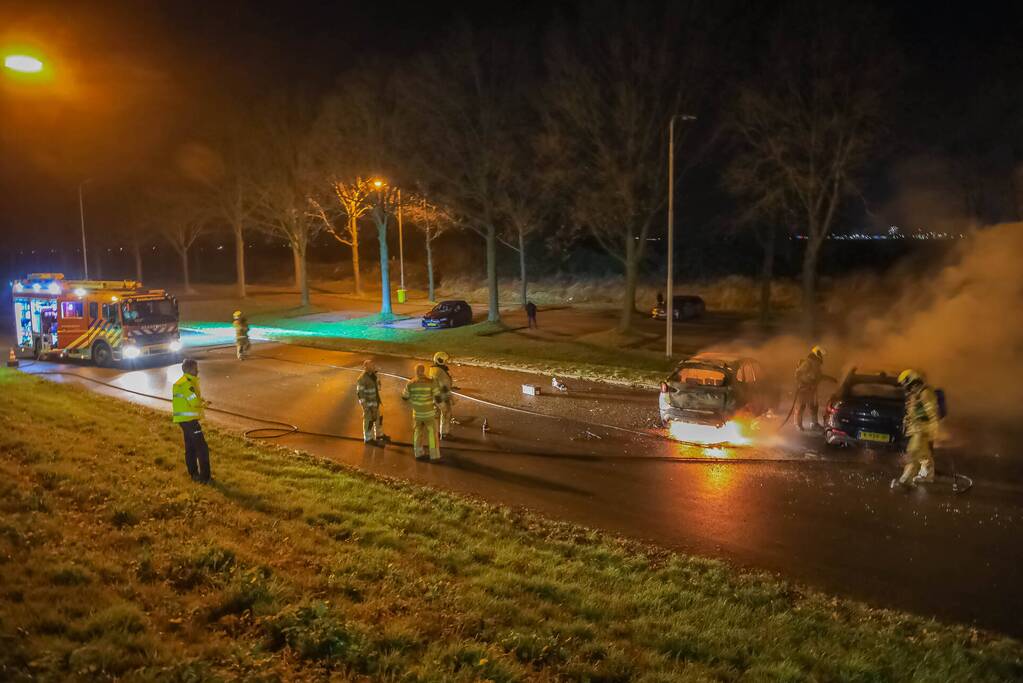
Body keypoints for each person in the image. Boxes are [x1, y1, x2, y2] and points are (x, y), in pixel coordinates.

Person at [892, 369, 941, 489]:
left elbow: (932, 413)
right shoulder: (915, 394)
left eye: (905, 383)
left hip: (922, 430)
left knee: (913, 453)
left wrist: (934, 430)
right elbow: (912, 412)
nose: (904, 387)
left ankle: (905, 481)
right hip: (917, 429)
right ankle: (926, 477)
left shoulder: (925, 393)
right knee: (924, 455)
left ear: (912, 381)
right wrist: (907, 421)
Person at [172, 358, 211, 483]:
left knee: (190, 447)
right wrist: (205, 404)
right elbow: (194, 401)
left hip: (184, 420)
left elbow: (193, 398)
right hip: (189, 421)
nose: (197, 371)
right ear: (189, 369)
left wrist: (202, 401)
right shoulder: (187, 384)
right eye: (195, 368)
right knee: (202, 448)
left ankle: (193, 473)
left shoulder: (184, 382)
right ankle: (205, 477)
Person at [402, 364, 441, 460]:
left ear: (415, 372)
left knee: (418, 433)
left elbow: (404, 397)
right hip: (429, 414)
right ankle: (434, 455)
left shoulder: (410, 383)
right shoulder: (431, 382)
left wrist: (413, 400)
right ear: (424, 371)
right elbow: (438, 398)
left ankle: (418, 453)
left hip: (417, 414)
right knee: (432, 434)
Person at [793, 345, 831, 431]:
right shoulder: (808, 362)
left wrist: (830, 378)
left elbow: (819, 376)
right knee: (801, 406)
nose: (821, 356)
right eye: (820, 354)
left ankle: (814, 424)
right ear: (816, 353)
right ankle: (798, 424)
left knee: (814, 407)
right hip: (804, 389)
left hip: (812, 389)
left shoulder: (816, 364)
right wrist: (804, 382)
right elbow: (798, 373)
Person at [356, 359, 386, 444]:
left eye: (374, 365)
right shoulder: (362, 379)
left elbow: (379, 387)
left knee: (378, 419)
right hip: (368, 404)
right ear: (366, 367)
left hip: (375, 402)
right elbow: (360, 394)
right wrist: (365, 407)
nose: (374, 367)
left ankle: (379, 434)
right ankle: (368, 438)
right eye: (372, 366)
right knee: (368, 421)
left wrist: (377, 378)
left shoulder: (374, 375)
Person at [428, 351, 454, 439]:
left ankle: (436, 433)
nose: (446, 362)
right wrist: (450, 397)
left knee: (436, 414)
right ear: (440, 360)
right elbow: (444, 386)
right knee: (446, 413)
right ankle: (444, 433)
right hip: (440, 396)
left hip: (434, 395)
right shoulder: (440, 371)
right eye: (445, 360)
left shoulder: (433, 369)